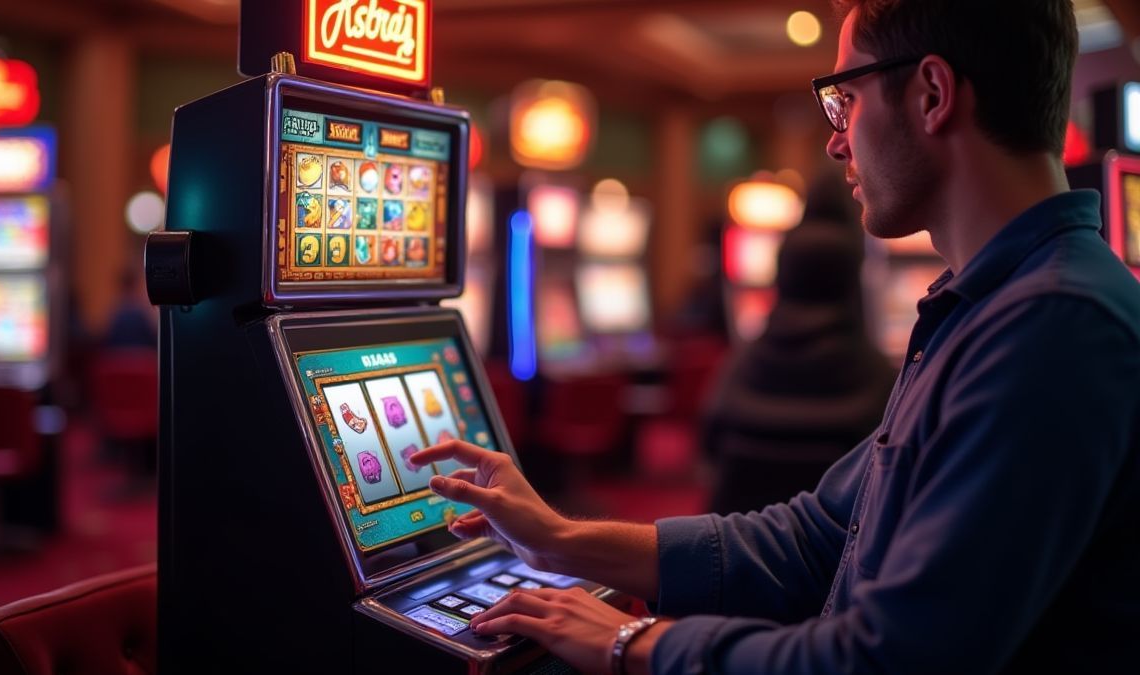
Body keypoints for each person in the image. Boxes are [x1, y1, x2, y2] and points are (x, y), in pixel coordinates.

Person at [408, 1, 1140, 672]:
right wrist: (561, 538)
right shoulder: (988, 304)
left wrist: (632, 641)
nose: (834, 140)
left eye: (845, 99)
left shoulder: (1055, 323)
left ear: (932, 95)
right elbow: (817, 538)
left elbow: (893, 659)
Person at [703, 173, 896, 515]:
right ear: (853, 281)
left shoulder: (740, 366)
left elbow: (707, 447)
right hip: (837, 550)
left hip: (742, 542)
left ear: (783, 276)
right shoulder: (879, 378)